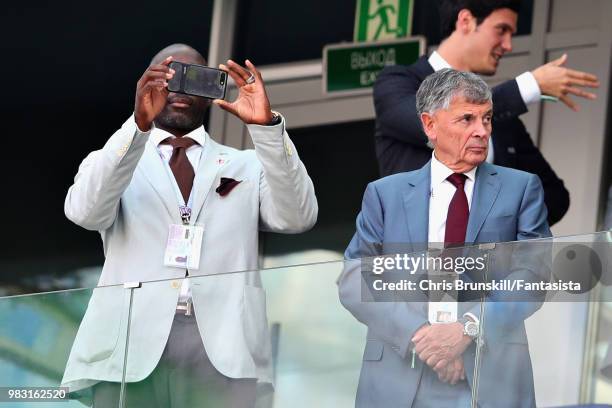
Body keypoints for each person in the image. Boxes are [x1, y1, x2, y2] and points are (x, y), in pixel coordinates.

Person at [61, 44, 318, 407]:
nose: (180, 90)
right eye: (168, 78)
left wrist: (267, 130)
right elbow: (85, 212)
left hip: (224, 347)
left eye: (195, 79)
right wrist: (137, 126)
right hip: (129, 344)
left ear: (213, 91)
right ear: (146, 86)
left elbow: (299, 215)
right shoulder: (114, 159)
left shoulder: (246, 165)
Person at [339, 69, 551, 407]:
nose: (482, 131)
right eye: (466, 119)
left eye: (487, 118)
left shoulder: (522, 188)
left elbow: (534, 275)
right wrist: (423, 336)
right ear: (430, 124)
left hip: (489, 377)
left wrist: (466, 329)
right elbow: (354, 279)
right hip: (399, 375)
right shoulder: (384, 195)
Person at [373, 0, 600, 226]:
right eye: (502, 30)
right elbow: (433, 122)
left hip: (487, 262)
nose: (508, 45)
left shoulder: (504, 120)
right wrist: (529, 86)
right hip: (414, 258)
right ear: (466, 21)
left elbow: (554, 197)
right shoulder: (398, 83)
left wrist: (498, 227)